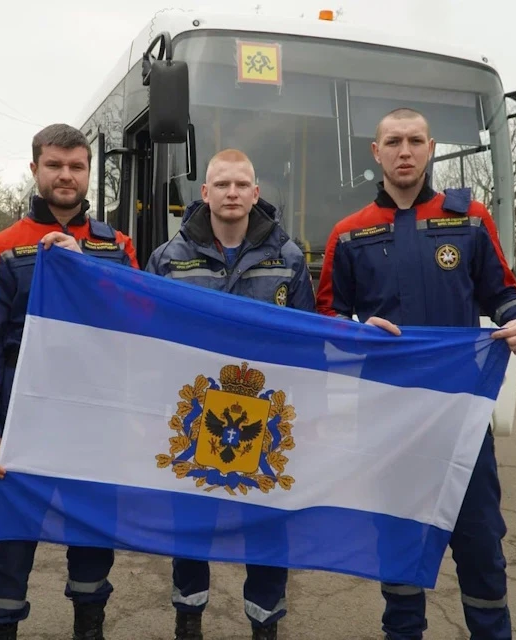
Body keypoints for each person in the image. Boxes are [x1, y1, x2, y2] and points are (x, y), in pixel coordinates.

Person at [316, 107, 516, 640]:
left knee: (480, 539)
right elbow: (325, 317)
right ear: (376, 152)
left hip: (461, 411)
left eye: (415, 140)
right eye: (392, 141)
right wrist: (354, 328)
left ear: (431, 147)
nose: (404, 151)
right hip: (388, 416)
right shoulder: (349, 234)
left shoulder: (469, 218)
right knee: (397, 540)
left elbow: (503, 292)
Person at [0, 123, 139, 640]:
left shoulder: (117, 246)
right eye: (54, 165)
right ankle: (1, 627)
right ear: (35, 168)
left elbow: (135, 322)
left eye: (76, 166)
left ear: (88, 174)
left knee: (91, 531)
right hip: (24, 415)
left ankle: (90, 626)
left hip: (96, 415)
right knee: (13, 537)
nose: (66, 175)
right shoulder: (2, 247)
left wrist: (88, 270)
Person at [146, 148, 316, 640]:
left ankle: (265, 626)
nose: (232, 193)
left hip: (266, 421)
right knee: (191, 529)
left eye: (242, 184)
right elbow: (151, 340)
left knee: (266, 529)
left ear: (256, 193)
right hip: (193, 420)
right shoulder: (167, 258)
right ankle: (188, 620)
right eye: (222, 185)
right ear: (204, 193)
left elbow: (307, 340)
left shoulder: (288, 258)